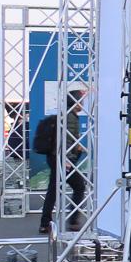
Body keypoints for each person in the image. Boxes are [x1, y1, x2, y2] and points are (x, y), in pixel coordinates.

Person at [35, 91, 86, 234]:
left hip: (56, 158)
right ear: (75, 102)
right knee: (79, 186)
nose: (83, 103)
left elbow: (68, 139)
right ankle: (73, 222)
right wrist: (67, 160)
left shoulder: (66, 115)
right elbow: (65, 140)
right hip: (63, 160)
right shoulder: (70, 117)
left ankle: (45, 223)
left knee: (53, 190)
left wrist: (77, 147)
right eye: (81, 100)